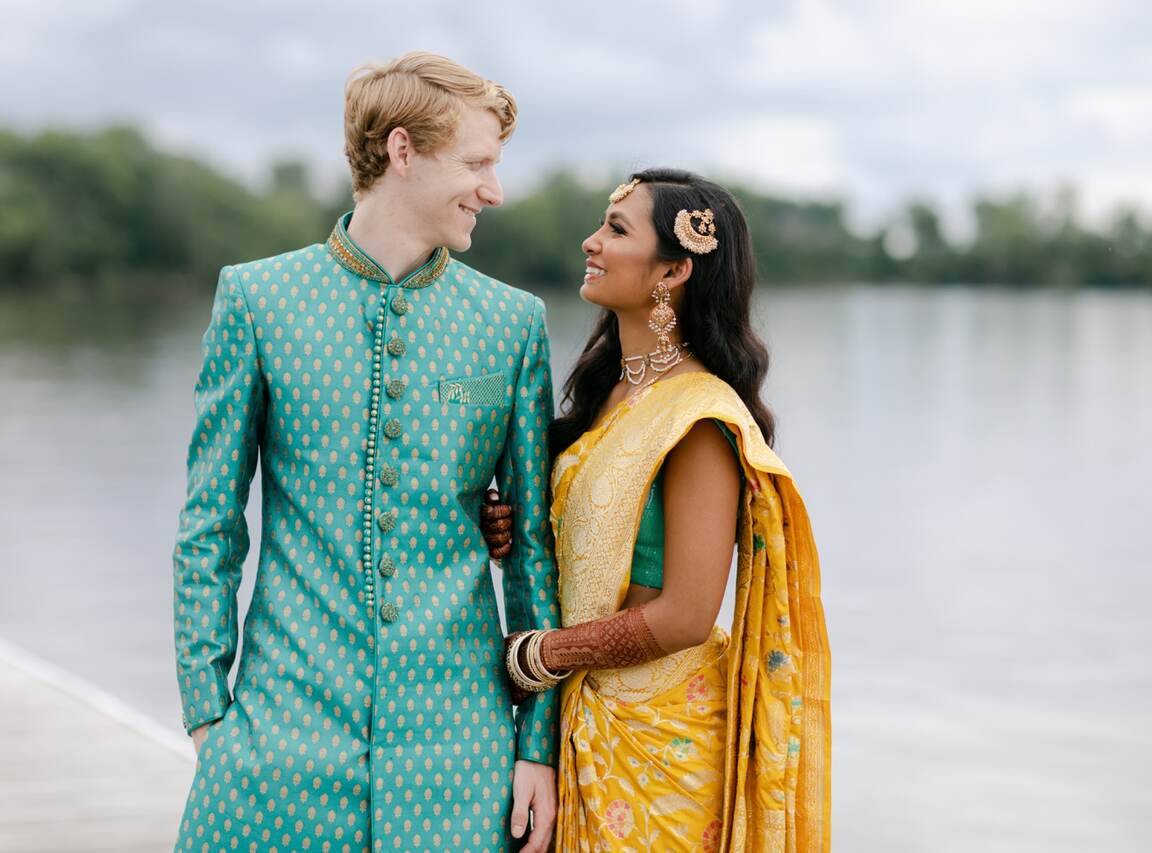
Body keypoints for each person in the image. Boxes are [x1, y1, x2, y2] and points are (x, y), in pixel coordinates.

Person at [171, 52, 559, 853]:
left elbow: (530, 553)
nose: (495, 188)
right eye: (478, 163)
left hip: (461, 749)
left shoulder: (512, 323)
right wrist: (207, 710)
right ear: (402, 150)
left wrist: (536, 745)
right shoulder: (258, 299)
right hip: (280, 731)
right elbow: (210, 524)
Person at [481, 169, 831, 851]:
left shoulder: (700, 418)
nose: (591, 242)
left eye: (615, 230)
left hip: (662, 749)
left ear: (672, 270)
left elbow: (686, 613)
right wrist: (517, 529)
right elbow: (594, 543)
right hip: (586, 723)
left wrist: (539, 654)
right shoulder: (609, 397)